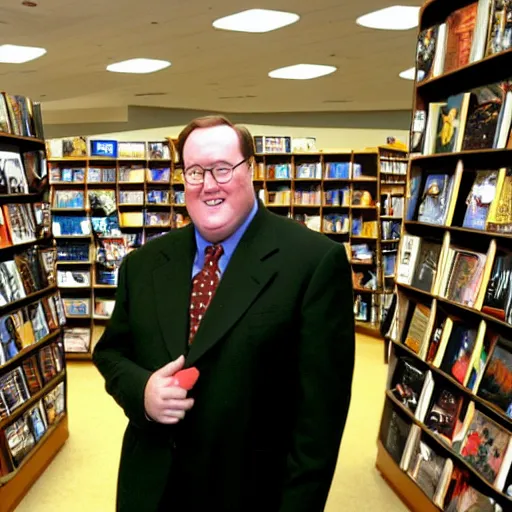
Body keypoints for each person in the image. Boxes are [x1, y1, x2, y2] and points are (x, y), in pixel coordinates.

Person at [92, 115, 355, 512]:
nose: (209, 185)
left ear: (252, 170)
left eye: (222, 168)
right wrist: (143, 392)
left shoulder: (314, 263)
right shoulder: (143, 264)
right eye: (195, 171)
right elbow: (111, 353)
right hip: (151, 489)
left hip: (250, 493)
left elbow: (319, 425)